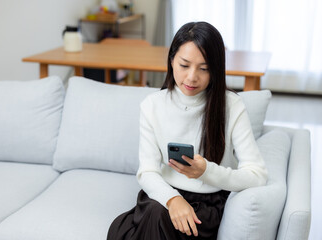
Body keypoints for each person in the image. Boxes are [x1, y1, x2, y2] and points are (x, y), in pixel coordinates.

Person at [107, 21, 268, 240]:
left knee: (155, 221)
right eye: (184, 65)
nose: (192, 77)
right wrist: (173, 200)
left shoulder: (231, 106)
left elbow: (257, 176)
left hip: (207, 205)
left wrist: (206, 172)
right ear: (171, 60)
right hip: (162, 196)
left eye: (204, 69)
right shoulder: (152, 105)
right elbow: (147, 172)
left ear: (216, 70)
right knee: (156, 213)